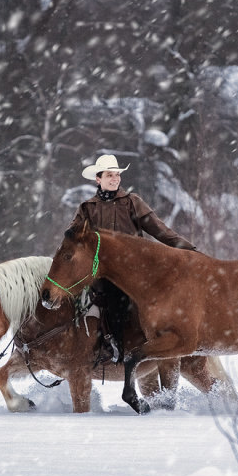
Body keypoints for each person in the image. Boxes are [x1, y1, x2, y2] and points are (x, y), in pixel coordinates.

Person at [69, 154, 197, 363]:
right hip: (101, 273)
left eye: (117, 175)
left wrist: (189, 249)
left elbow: (160, 230)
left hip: (137, 272)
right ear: (98, 179)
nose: (115, 179)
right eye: (110, 175)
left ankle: (169, 339)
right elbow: (72, 239)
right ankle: (103, 346)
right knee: (93, 299)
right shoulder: (87, 208)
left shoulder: (132, 202)